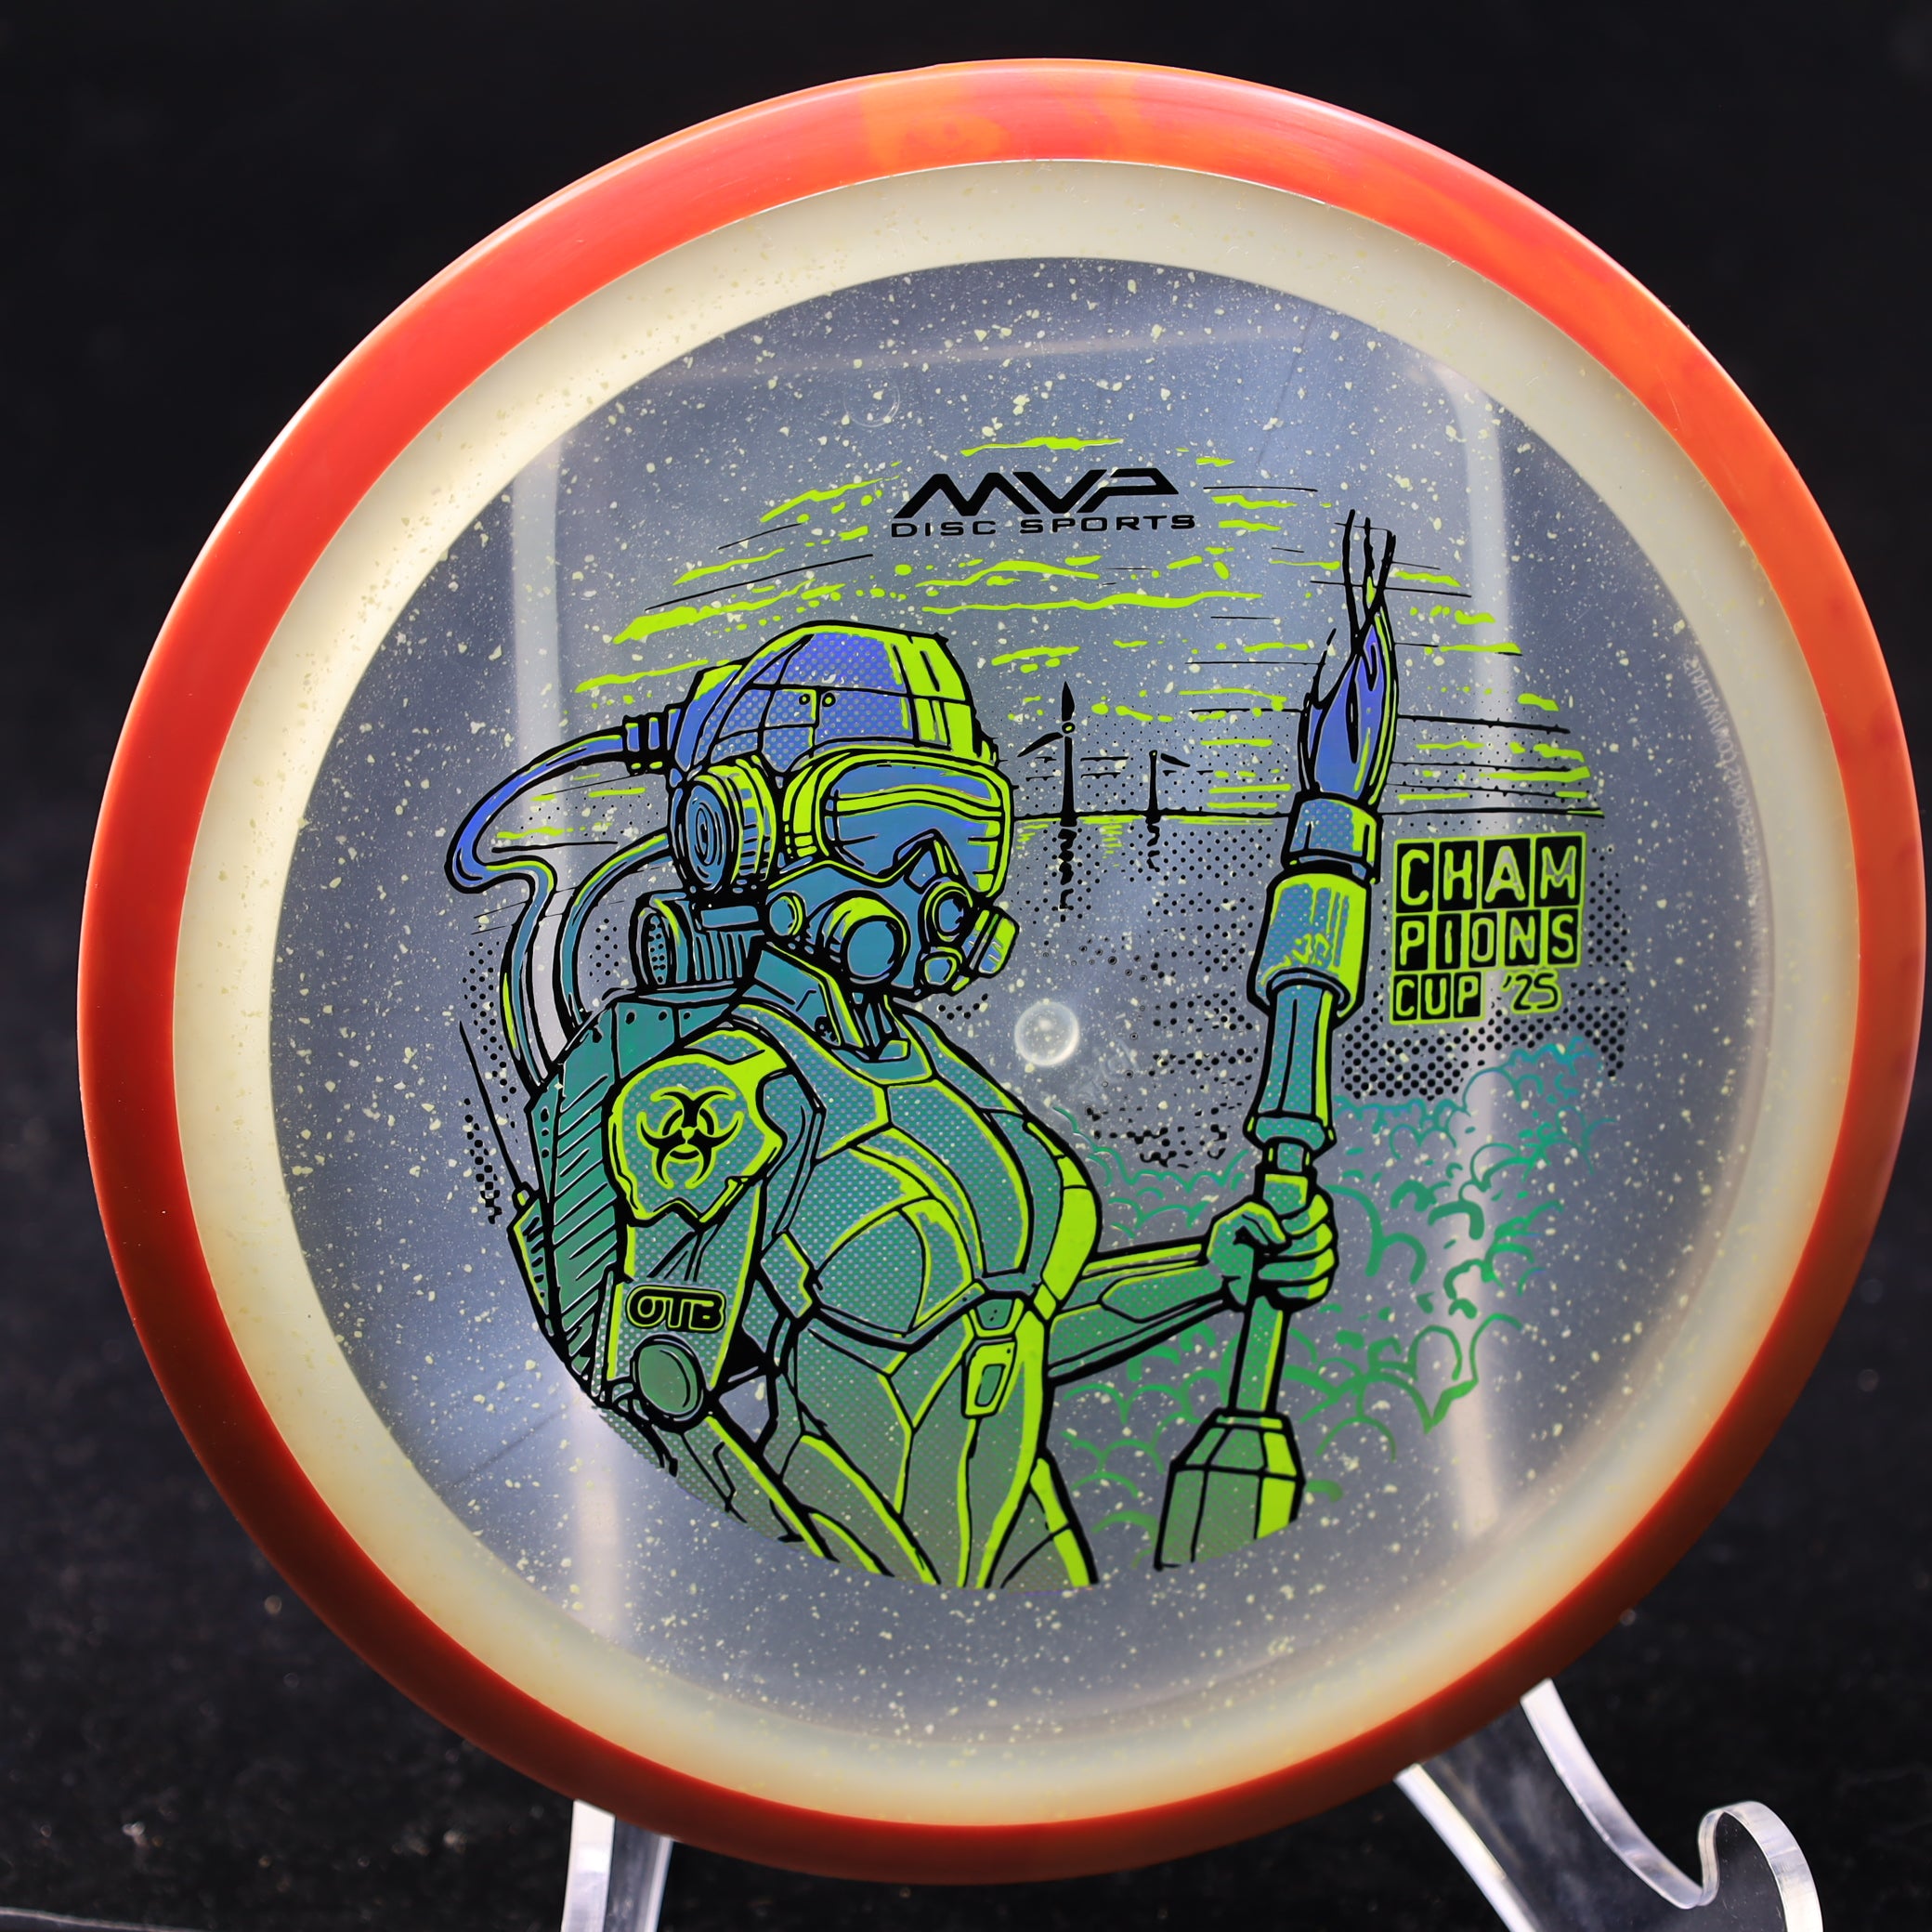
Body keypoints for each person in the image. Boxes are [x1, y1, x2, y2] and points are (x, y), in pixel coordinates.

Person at [541, 622, 1336, 1587]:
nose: (937, 883)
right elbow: (658, 1401)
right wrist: (795, 1581)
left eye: (968, 835)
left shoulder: (935, 1073)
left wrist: (1209, 1274)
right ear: (743, 834)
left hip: (1022, 1540)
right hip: (853, 1542)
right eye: (882, 829)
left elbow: (1009, 1331)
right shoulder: (725, 1095)